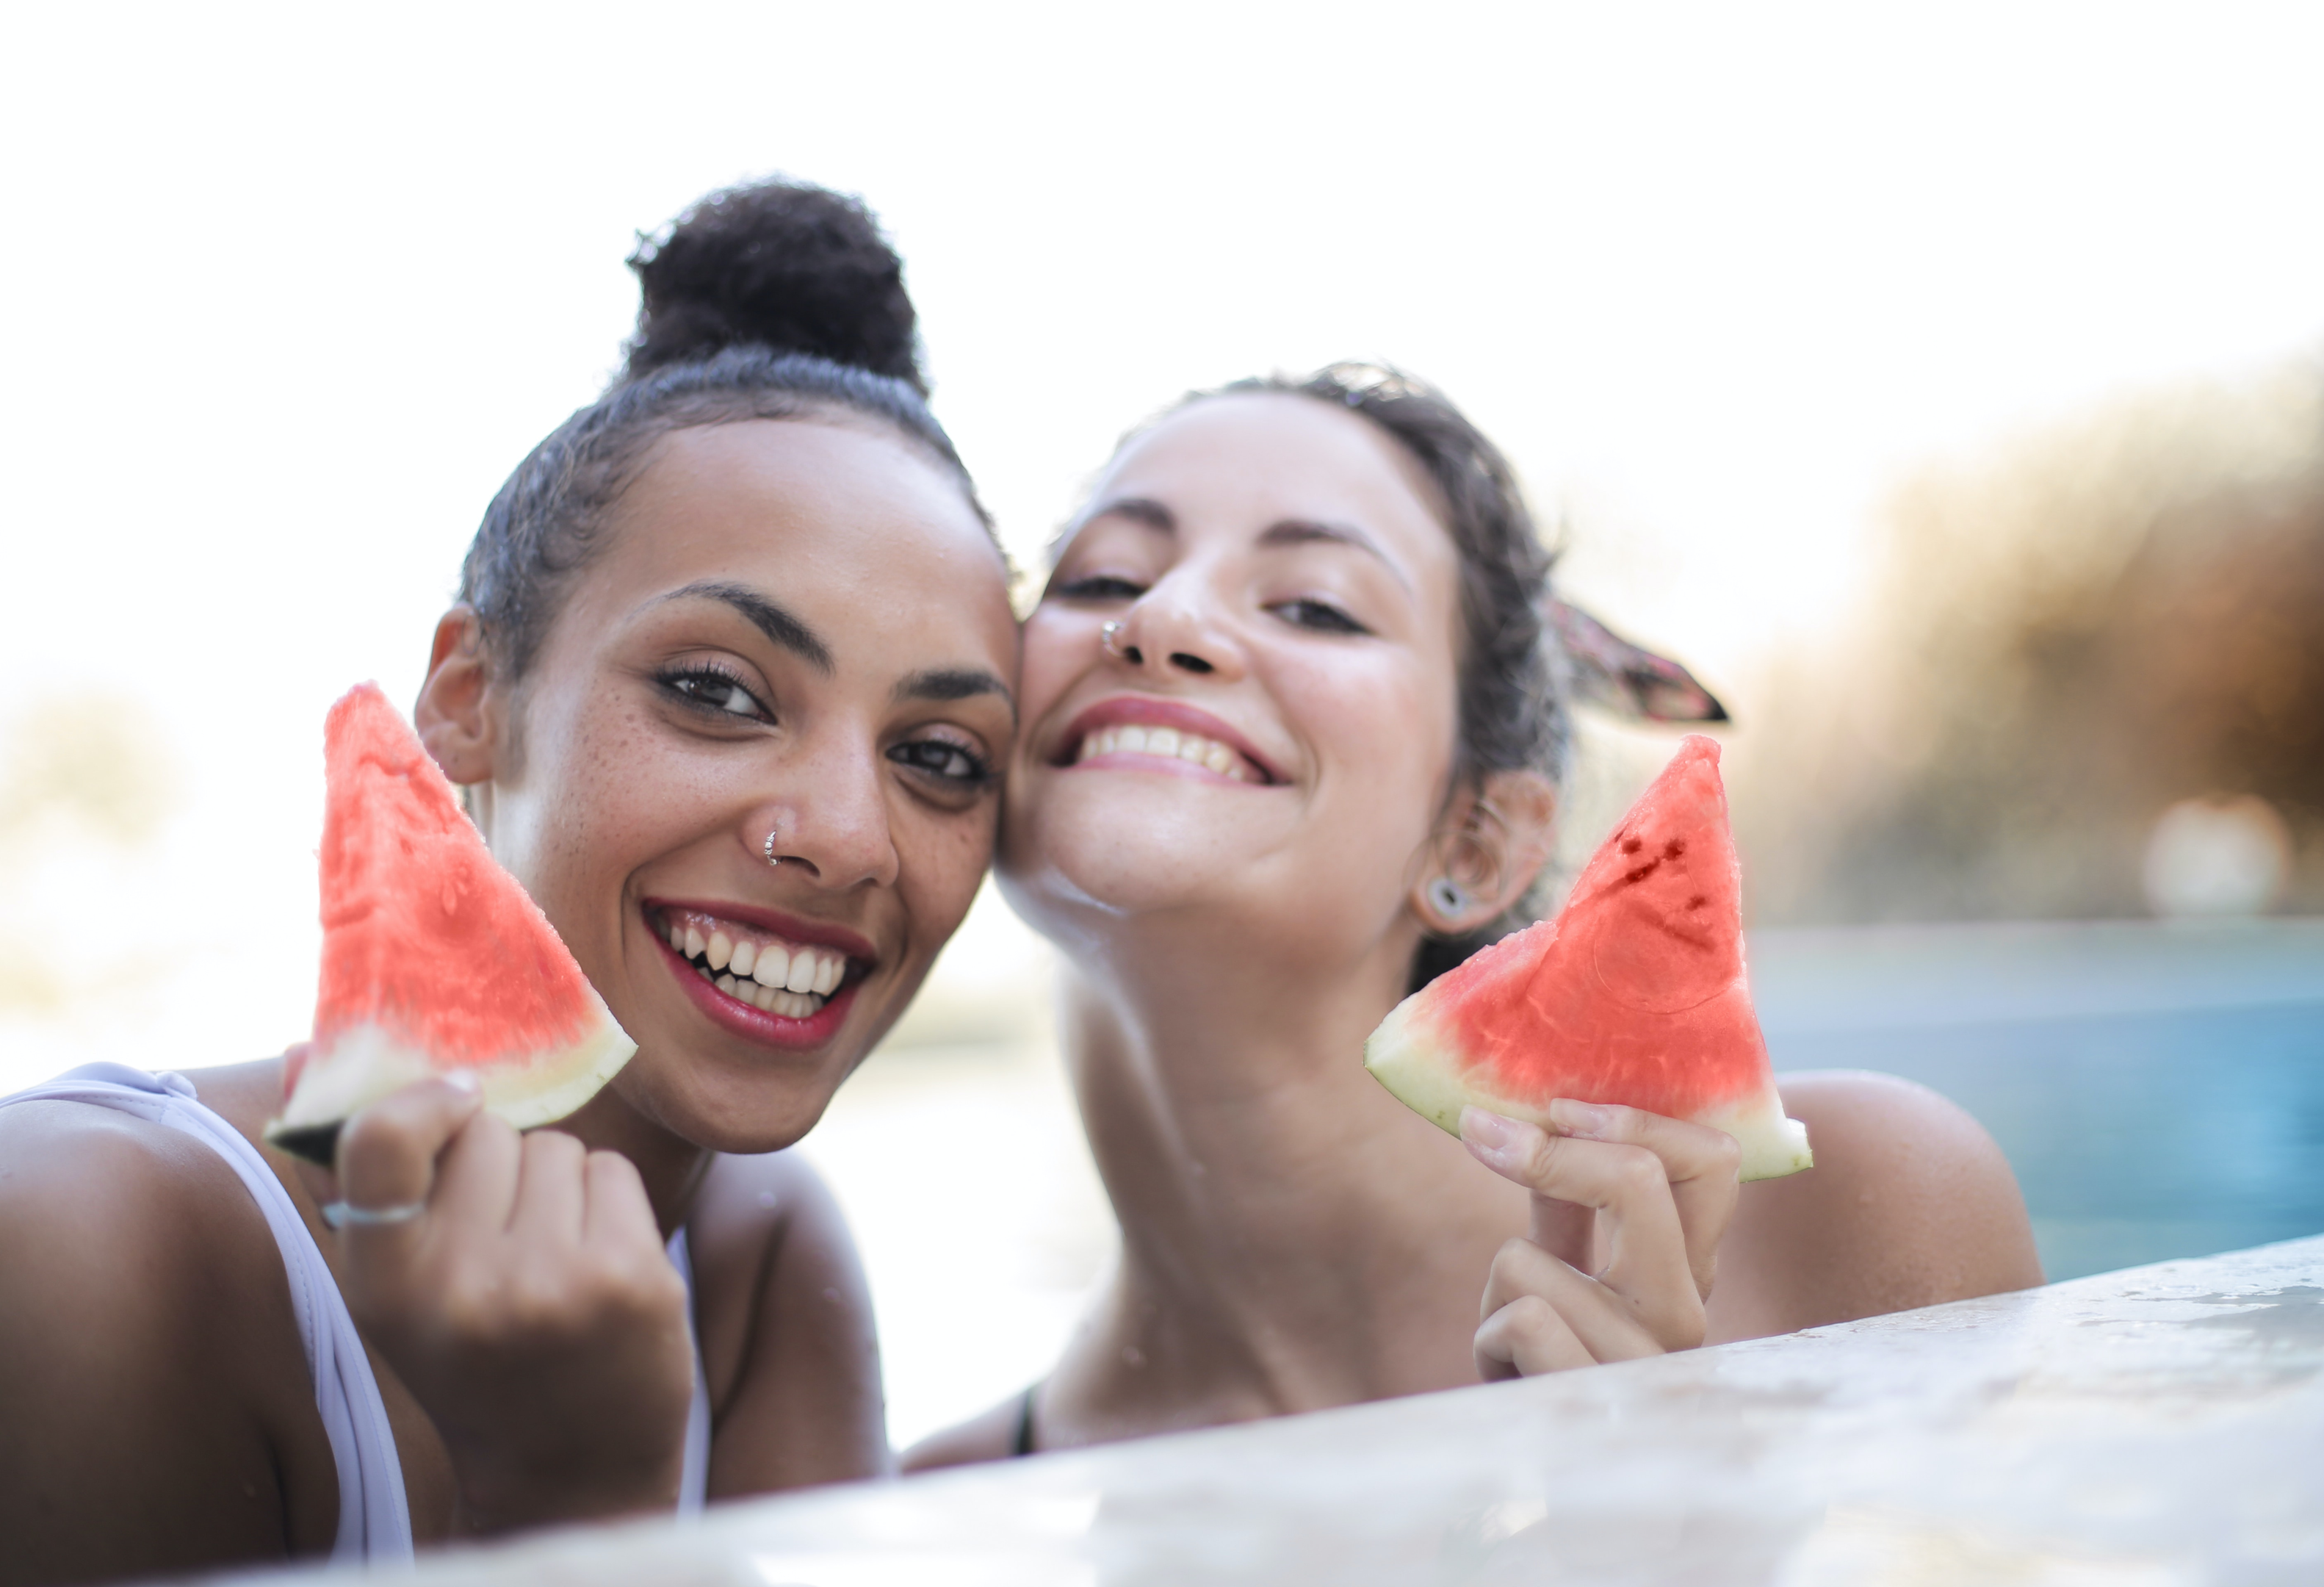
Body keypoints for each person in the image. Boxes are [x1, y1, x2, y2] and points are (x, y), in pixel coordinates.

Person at [0, 181, 1020, 1583]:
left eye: (941, 756)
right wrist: (573, 1506)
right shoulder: (80, 1244)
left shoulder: (762, 1256)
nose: (850, 837)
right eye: (718, 690)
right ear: (470, 698)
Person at [908, 365, 2043, 1465]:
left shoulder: (1862, 1214)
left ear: (1478, 841)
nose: (1159, 618)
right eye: (1100, 579)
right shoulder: (942, 1504)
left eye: (1316, 605)